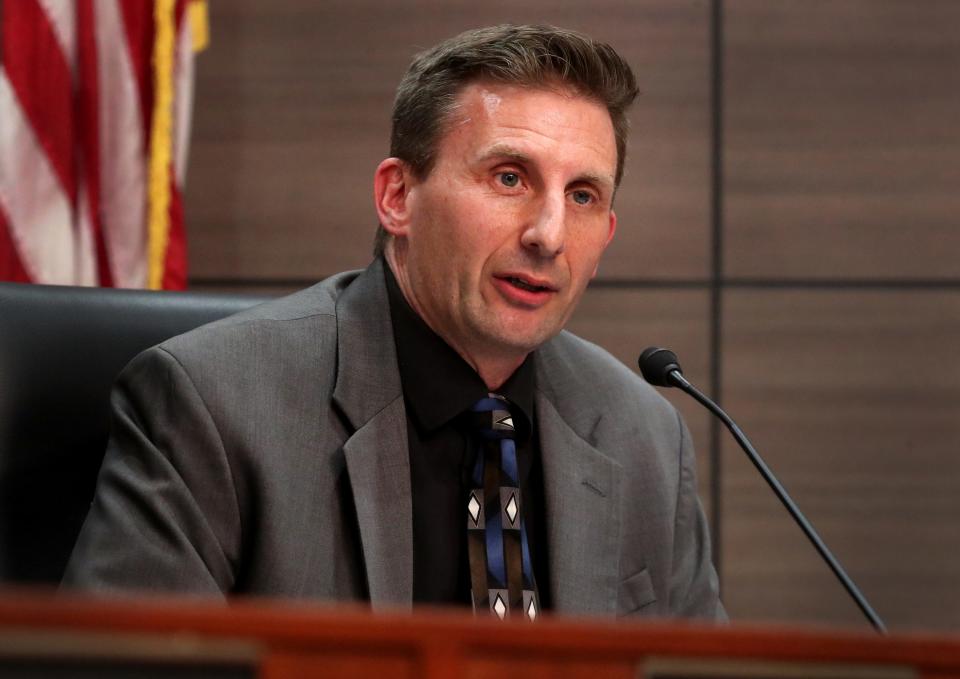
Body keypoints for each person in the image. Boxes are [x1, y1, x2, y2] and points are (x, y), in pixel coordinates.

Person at [63, 24, 725, 621]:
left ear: (606, 231)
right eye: (509, 178)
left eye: (582, 195)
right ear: (397, 197)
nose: (549, 234)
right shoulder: (215, 405)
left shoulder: (643, 434)